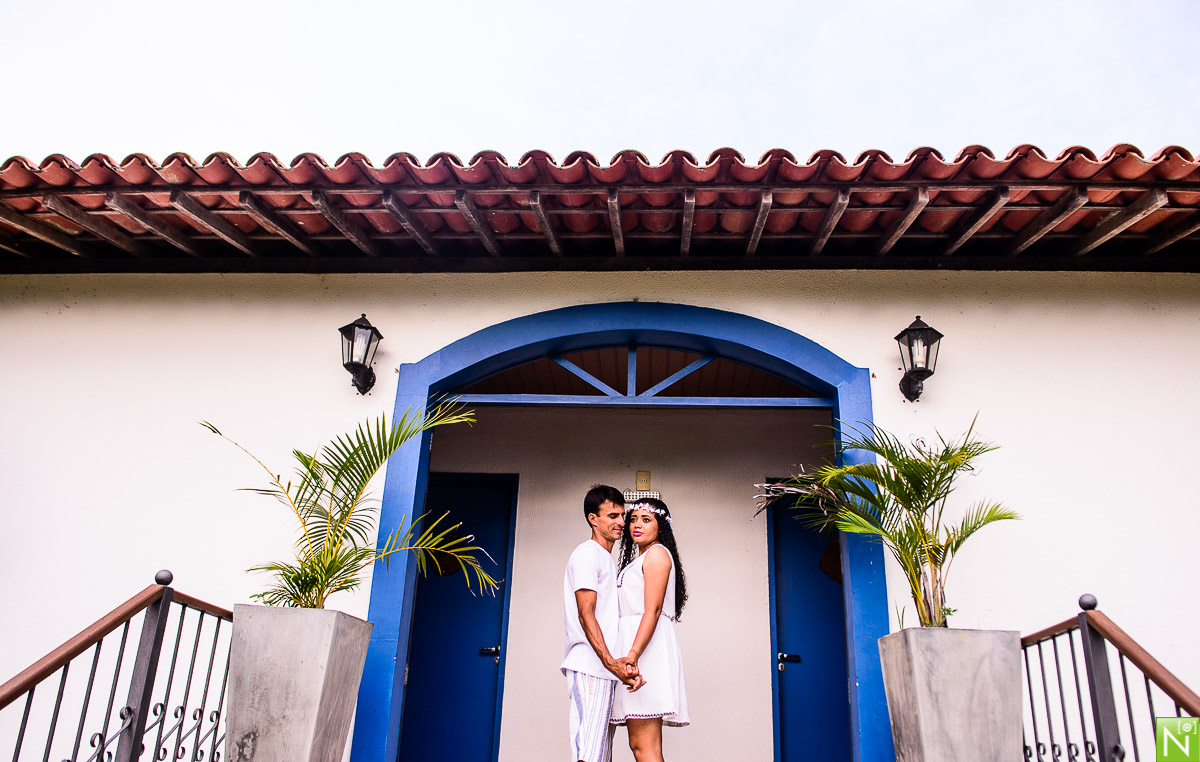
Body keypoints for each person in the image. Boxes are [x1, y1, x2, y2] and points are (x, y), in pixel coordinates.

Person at [563, 485, 643, 762]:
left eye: (622, 515)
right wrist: (610, 663)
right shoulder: (587, 554)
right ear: (593, 519)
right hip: (591, 666)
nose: (621, 522)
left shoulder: (605, 558)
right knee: (589, 753)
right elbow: (586, 614)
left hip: (605, 668)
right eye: (612, 516)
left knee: (600, 754)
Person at [610, 497, 689, 762]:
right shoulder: (642, 558)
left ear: (660, 526)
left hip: (645, 653)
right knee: (640, 744)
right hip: (638, 649)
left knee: (644, 746)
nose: (637, 525)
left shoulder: (656, 554)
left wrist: (632, 655)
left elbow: (652, 610)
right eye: (633, 519)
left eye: (646, 520)